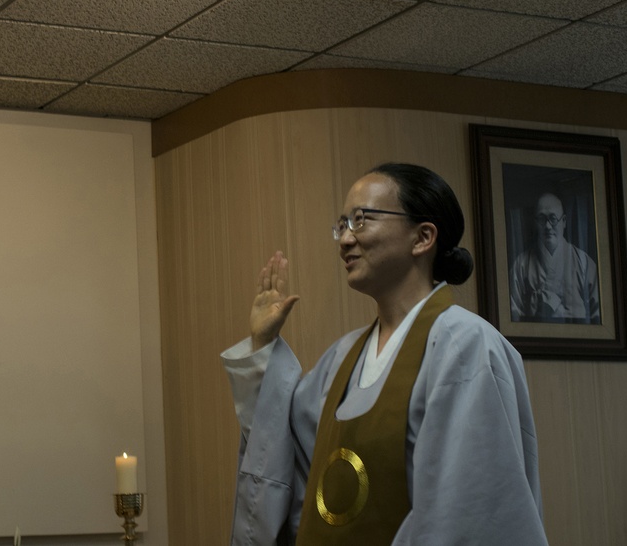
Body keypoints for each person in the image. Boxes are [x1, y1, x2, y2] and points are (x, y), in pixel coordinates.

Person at [221, 163, 547, 545]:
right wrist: (263, 348)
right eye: (342, 224)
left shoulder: (464, 345)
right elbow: (282, 455)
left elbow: (467, 511)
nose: (345, 239)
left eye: (361, 220)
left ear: (422, 237)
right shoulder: (342, 358)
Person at [510, 192, 600, 323]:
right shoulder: (521, 264)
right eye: (541, 219)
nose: (547, 226)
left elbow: (597, 315)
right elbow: (514, 313)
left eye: (553, 219)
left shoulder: (584, 262)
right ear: (535, 222)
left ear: (563, 221)